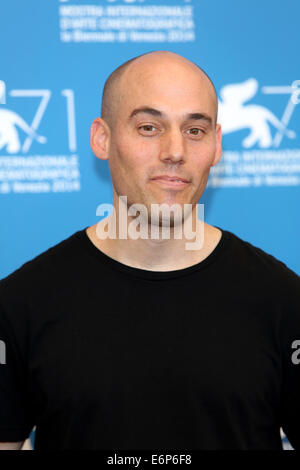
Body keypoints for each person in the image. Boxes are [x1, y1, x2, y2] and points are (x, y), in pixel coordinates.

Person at [0, 50, 299, 450]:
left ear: (217, 145)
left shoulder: (283, 300)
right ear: (102, 139)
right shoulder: (22, 304)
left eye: (195, 130)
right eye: (148, 127)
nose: (175, 151)